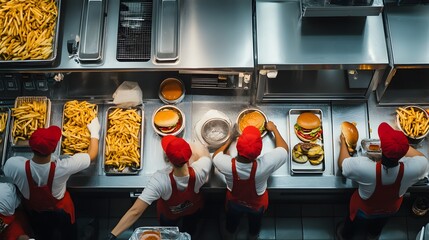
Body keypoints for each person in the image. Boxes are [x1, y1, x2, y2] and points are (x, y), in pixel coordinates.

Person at [4, 117, 100, 240]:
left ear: (31, 146)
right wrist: (94, 132)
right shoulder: (62, 168)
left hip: (35, 211)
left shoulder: (14, 165)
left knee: (44, 232)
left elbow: (7, 170)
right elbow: (91, 155)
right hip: (61, 210)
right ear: (54, 149)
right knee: (68, 233)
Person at [337, 122, 429, 240]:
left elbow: (342, 164)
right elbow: (423, 159)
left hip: (364, 209)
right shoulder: (414, 169)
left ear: (382, 148)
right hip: (390, 209)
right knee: (379, 223)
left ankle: (345, 235)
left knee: (352, 222)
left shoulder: (365, 168)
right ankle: (373, 235)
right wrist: (399, 146)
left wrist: (343, 142)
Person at [108, 136, 211, 239]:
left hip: (170, 214)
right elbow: (206, 156)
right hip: (193, 209)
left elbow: (136, 211)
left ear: (169, 160)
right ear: (189, 154)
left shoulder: (160, 180)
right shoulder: (201, 169)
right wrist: (199, 151)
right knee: (190, 228)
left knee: (168, 231)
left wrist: (113, 234)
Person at [213, 122, 288, 240]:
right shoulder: (265, 164)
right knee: (255, 222)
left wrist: (230, 139)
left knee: (232, 220)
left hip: (234, 202)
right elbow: (284, 149)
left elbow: (216, 156)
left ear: (237, 147)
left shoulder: (225, 164)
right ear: (259, 152)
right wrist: (274, 129)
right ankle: (252, 235)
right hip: (256, 205)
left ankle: (230, 234)